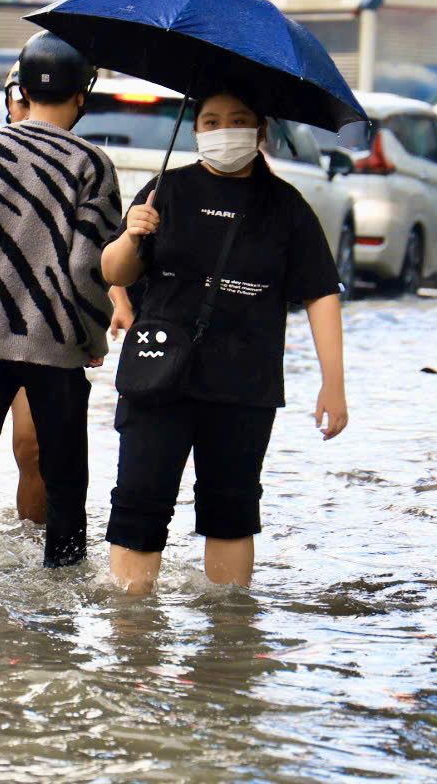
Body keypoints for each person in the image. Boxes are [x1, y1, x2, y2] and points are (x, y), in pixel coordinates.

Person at [101, 87, 348, 595]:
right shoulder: (165, 190)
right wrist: (131, 235)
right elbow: (113, 272)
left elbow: (320, 293)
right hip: (158, 376)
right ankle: (130, 629)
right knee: (139, 503)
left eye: (238, 120)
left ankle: (229, 630)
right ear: (195, 130)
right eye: (211, 121)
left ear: (260, 130)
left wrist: (334, 383)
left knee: (232, 511)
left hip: (245, 382)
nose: (224, 131)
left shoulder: (285, 206)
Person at [0, 31, 122, 576]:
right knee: (65, 482)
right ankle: (61, 601)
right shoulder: (91, 164)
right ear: (82, 95)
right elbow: (89, 268)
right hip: (56, 345)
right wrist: (91, 338)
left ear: (23, 91)